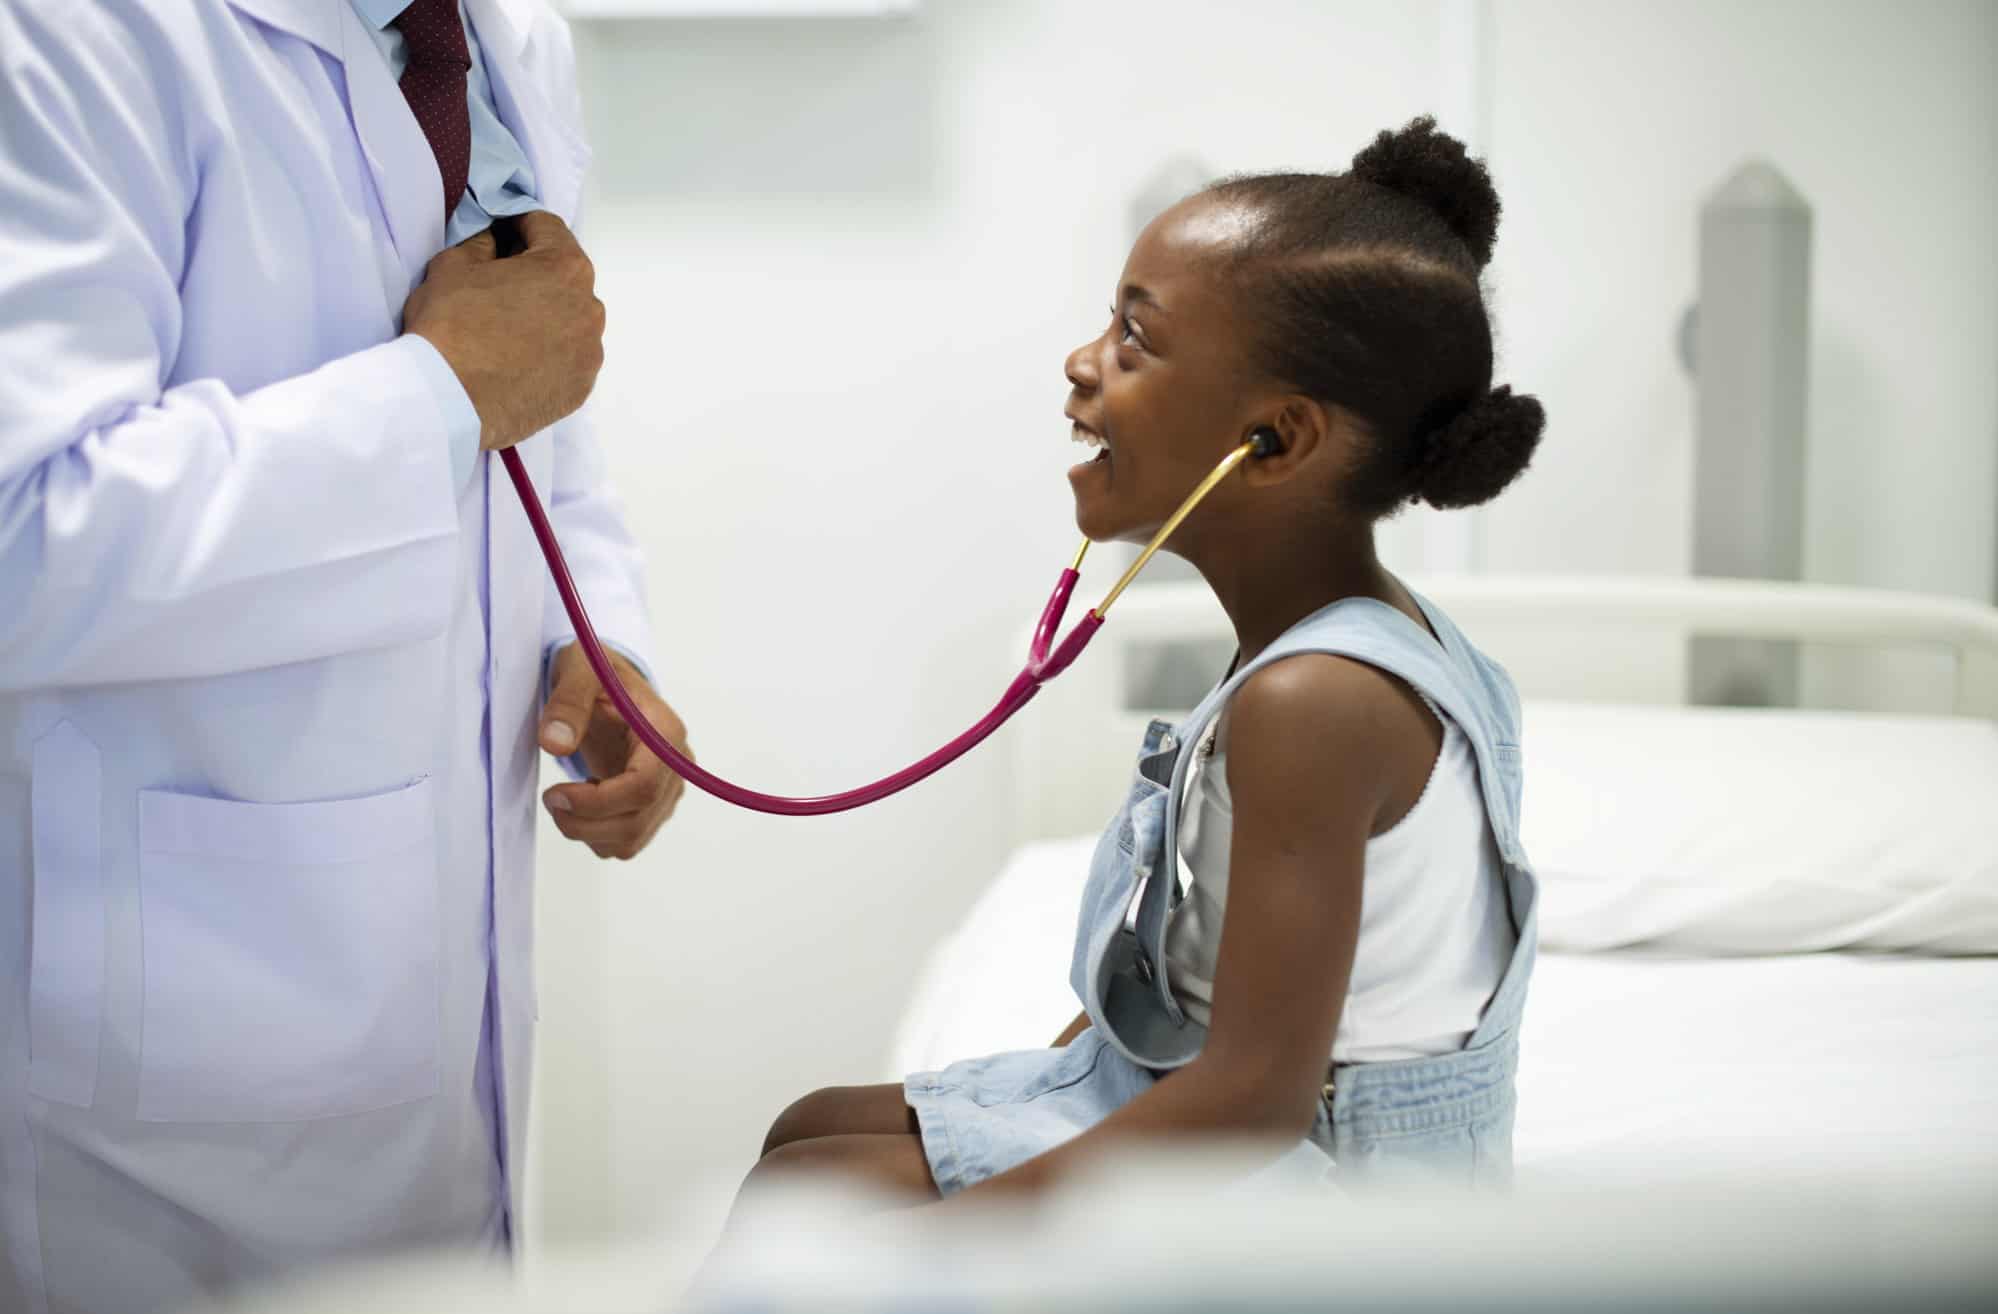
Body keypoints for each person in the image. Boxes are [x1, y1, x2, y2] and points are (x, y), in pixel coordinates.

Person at [0, 3, 688, 1311]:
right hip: (155, 1107)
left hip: (431, 1036)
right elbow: (23, 530)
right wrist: (436, 396)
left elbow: (535, 411)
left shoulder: (507, 36)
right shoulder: (68, 31)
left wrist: (594, 634)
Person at [737, 117, 1546, 1210]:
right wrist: (1024, 1107)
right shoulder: (1333, 638)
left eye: (1133, 340)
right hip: (1215, 1100)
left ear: (1277, 441)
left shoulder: (1316, 700)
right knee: (809, 1130)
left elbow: (1254, 1103)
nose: (1082, 364)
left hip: (1331, 1195)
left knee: (816, 1193)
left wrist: (950, 1234)